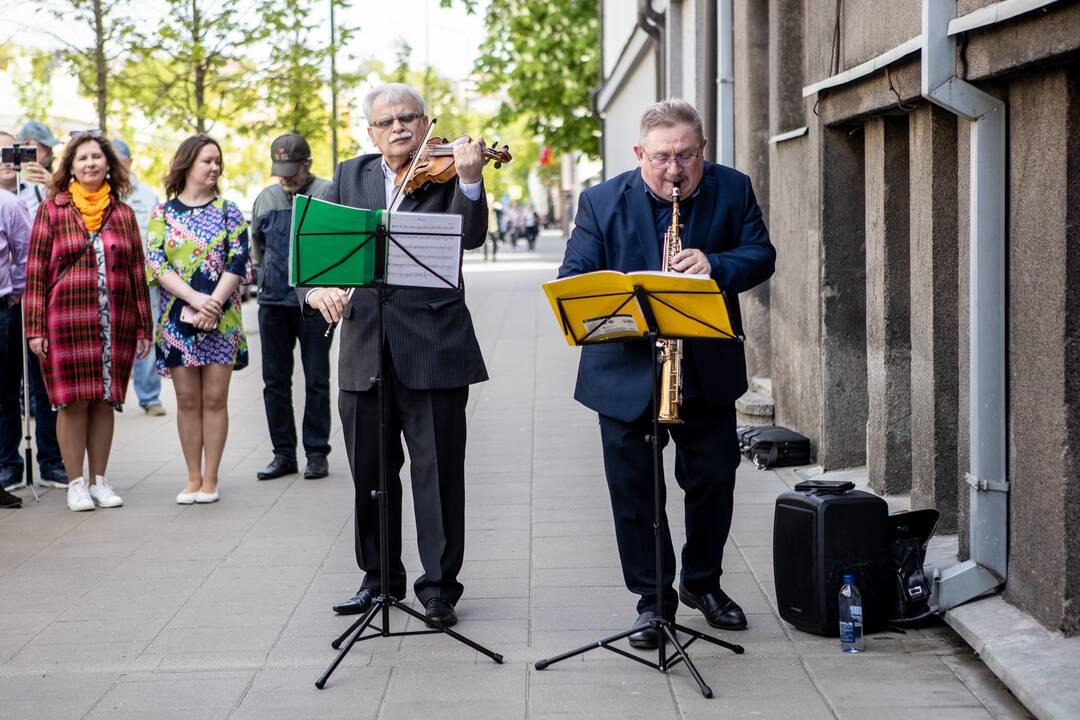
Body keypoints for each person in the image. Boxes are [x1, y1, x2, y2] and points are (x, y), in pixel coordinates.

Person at [558, 99, 775, 648]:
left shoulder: (732, 188)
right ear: (639, 154)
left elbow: (760, 255)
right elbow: (573, 278)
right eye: (661, 158)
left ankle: (703, 583)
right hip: (625, 373)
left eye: (685, 156)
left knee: (712, 484)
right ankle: (652, 599)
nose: (674, 170)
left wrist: (715, 265)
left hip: (704, 370)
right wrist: (627, 298)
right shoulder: (600, 200)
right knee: (633, 494)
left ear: (703, 150)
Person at [301, 83, 489, 628]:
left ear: (426, 122)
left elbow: (470, 237)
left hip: (432, 344)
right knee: (370, 472)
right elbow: (316, 252)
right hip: (363, 345)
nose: (399, 128)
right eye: (386, 122)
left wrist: (472, 179)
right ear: (371, 132)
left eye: (409, 118)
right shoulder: (350, 175)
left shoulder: (452, 168)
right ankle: (379, 577)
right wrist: (316, 291)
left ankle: (439, 589)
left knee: (437, 472)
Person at [23, 131, 153, 512]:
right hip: (65, 321)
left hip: (116, 321)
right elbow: (35, 274)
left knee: (104, 401)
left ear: (108, 164)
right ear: (71, 167)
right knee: (71, 403)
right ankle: (75, 483)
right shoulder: (53, 209)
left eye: (97, 157)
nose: (91, 164)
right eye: (82, 159)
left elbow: (135, 271)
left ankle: (100, 481)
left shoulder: (123, 214)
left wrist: (144, 325)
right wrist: (34, 328)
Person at [145, 135, 250, 505]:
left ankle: (211, 478)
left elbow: (239, 260)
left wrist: (214, 303)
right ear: (187, 164)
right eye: (207, 161)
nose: (214, 168)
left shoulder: (229, 210)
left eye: (218, 161)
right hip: (177, 320)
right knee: (187, 400)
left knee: (215, 399)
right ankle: (192, 477)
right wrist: (193, 298)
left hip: (221, 318)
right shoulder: (162, 213)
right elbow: (156, 262)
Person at [250, 133, 332, 481]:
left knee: (316, 379)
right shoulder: (265, 199)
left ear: (308, 164)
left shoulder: (327, 193)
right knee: (274, 382)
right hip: (273, 304)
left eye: (292, 169)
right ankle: (283, 454)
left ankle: (316, 454)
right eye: (279, 169)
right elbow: (258, 248)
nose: (285, 177)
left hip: (314, 303)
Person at [0, 128, 68, 491]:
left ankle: (52, 460)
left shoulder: (45, 190)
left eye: (13, 152)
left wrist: (51, 187)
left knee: (45, 384)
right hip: (8, 302)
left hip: (41, 297)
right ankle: (8, 462)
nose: (7, 160)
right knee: (7, 386)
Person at [112, 139, 165, 417]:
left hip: (145, 278)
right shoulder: (103, 194)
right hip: (113, 279)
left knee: (148, 334)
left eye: (120, 160)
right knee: (112, 336)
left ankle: (150, 397)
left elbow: (157, 238)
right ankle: (112, 393)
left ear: (130, 162)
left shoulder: (148, 195)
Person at [0, 186, 30, 508]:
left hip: (1, 309)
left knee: (4, 394)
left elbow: (25, 257)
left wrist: (12, 300)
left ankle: (6, 464)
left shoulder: (8, 204)